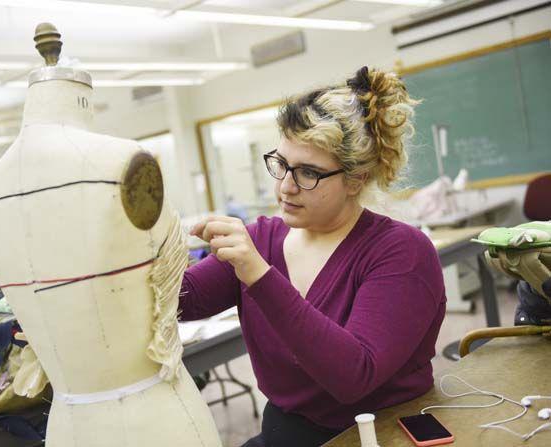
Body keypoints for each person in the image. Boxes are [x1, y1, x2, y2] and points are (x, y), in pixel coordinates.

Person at [179, 66, 446, 447]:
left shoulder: (401, 252)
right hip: (288, 432)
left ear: (355, 179)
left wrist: (259, 274)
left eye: (308, 173)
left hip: (381, 434)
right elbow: (178, 302)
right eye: (282, 165)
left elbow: (354, 376)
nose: (286, 186)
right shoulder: (262, 237)